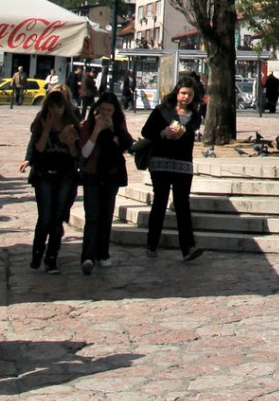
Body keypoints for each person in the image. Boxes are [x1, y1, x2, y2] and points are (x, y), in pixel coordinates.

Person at [141, 75, 205, 262]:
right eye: (183, 93)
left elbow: (192, 132)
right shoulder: (162, 110)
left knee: (182, 204)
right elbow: (147, 131)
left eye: (190, 95)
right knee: (160, 201)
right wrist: (163, 132)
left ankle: (187, 247)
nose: (186, 97)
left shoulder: (195, 115)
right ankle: (152, 244)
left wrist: (182, 133)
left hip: (183, 163)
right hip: (161, 161)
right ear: (177, 93)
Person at [19, 89, 80, 274]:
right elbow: (37, 149)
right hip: (44, 174)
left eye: (59, 106)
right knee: (45, 216)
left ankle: (51, 258)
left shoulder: (71, 124)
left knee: (57, 217)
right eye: (53, 106)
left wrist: (70, 143)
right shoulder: (42, 121)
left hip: (65, 175)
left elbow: (76, 155)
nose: (56, 110)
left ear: (65, 107)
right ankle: (37, 254)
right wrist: (46, 131)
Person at [76, 90, 134, 274]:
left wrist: (112, 131)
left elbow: (126, 146)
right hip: (93, 173)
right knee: (92, 215)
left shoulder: (119, 124)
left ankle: (103, 253)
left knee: (106, 214)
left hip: (111, 174)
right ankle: (88, 256)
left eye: (109, 110)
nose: (106, 114)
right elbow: (84, 152)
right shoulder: (89, 124)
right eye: (103, 110)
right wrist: (96, 131)